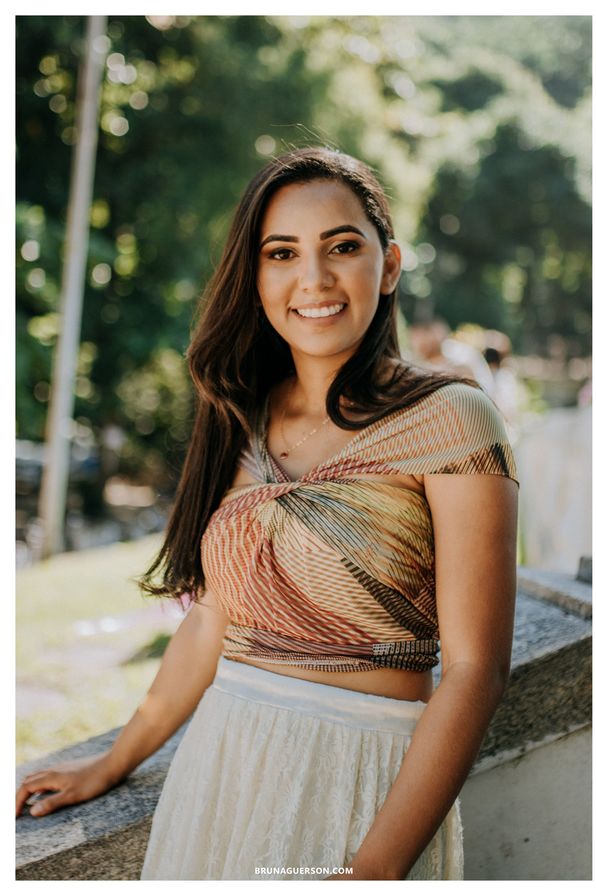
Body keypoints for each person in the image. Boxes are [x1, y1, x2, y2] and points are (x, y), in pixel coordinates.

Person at [15, 147, 519, 881]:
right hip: (222, 766)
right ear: (255, 278)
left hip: (361, 782)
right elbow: (216, 616)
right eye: (282, 253)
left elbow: (478, 670)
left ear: (389, 265)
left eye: (342, 246)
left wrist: (376, 869)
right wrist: (114, 760)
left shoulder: (453, 418)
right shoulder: (240, 414)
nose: (313, 279)